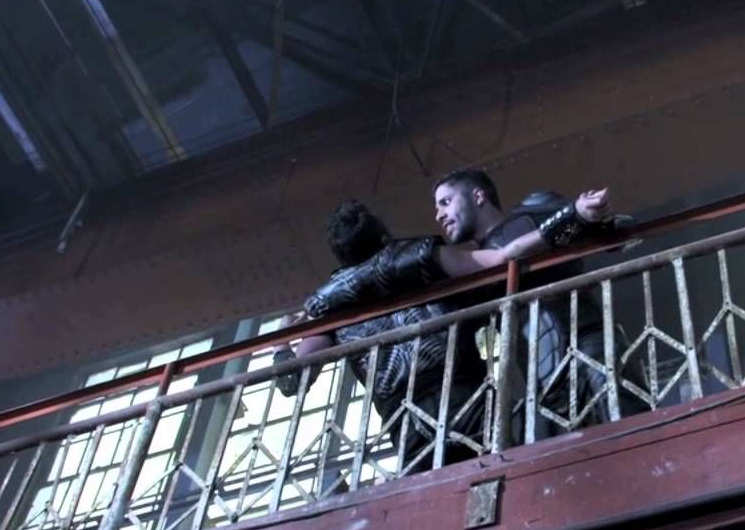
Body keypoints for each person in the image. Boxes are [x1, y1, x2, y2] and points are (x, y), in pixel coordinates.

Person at [273, 197, 611, 474]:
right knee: (532, 471)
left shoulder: (328, 305)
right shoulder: (421, 256)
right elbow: (504, 257)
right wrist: (574, 216)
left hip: (408, 430)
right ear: (382, 236)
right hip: (470, 406)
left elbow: (291, 382)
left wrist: (281, 341)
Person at [433, 169, 650, 434]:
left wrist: (593, 218)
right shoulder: (472, 266)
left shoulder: (535, 212)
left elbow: (623, 232)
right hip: (543, 383)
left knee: (634, 433)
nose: (439, 215)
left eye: (446, 202)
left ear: (478, 196)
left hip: (591, 347)